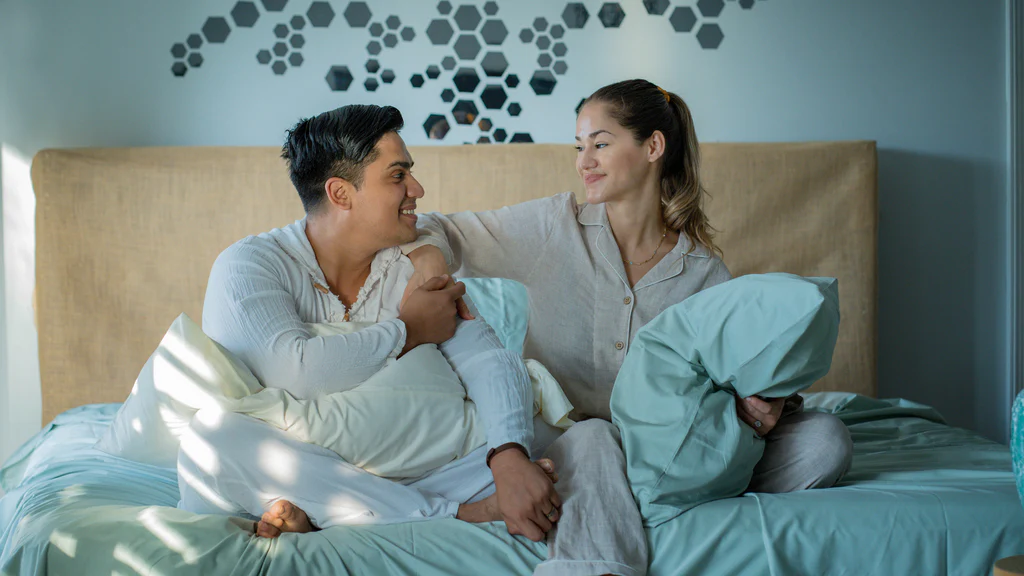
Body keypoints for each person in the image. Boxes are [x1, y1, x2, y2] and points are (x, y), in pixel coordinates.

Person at [177, 104, 647, 576]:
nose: (417, 190)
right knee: (211, 441)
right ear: (341, 193)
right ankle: (449, 515)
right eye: (398, 176)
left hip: (450, 469)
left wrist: (507, 457)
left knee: (591, 436)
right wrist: (410, 331)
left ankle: (589, 568)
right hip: (323, 473)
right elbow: (294, 371)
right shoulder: (250, 265)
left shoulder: (411, 261)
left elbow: (486, 358)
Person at [404, 79, 854, 494]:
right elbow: (436, 227)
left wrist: (771, 407)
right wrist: (428, 261)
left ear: (653, 146)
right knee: (593, 439)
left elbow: (747, 374)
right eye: (579, 147)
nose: (584, 162)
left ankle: (653, 494)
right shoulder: (553, 226)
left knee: (825, 440)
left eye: (600, 144)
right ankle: (655, 499)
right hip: (562, 447)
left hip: (664, 452)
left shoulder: (704, 272)